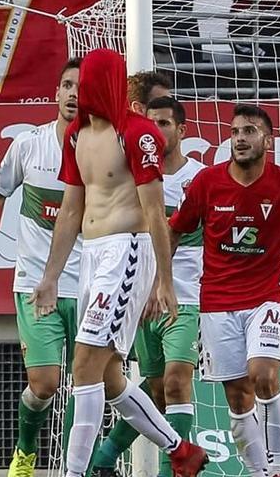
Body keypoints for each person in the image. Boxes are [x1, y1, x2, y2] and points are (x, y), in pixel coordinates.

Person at [31, 48, 207, 477]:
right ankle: (180, 450)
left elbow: (154, 213)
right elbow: (72, 209)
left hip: (127, 253)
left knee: (83, 365)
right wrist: (51, 277)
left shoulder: (139, 134)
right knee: (109, 376)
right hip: (91, 256)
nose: (80, 90)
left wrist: (163, 281)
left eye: (87, 80)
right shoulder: (76, 135)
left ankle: (75, 473)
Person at [168, 103, 280, 477]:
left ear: (268, 140)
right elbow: (174, 229)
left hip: (265, 298)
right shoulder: (207, 183)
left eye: (249, 131)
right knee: (238, 397)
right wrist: (157, 282)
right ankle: (259, 473)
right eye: (235, 132)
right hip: (217, 303)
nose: (239, 138)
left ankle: (279, 467)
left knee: (264, 376)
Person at [0, 58, 83, 476]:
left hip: (91, 284)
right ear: (56, 94)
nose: (73, 94)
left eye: (81, 87)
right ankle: (26, 451)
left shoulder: (103, 150)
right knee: (44, 384)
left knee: (91, 386)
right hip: (34, 283)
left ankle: (82, 465)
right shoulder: (29, 146)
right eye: (66, 86)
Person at [90, 97, 203, 477]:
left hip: (183, 297)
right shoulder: (133, 175)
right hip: (139, 300)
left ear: (182, 130)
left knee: (175, 382)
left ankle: (180, 467)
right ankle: (103, 462)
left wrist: (166, 282)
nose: (157, 130)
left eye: (166, 124)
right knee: (154, 391)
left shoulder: (199, 179)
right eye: (151, 122)